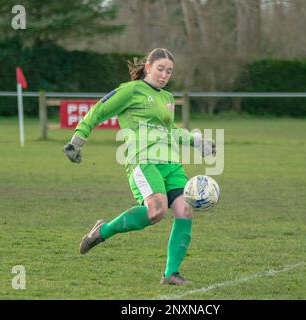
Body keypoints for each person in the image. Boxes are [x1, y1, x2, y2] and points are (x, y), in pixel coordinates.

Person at [63, 48, 215, 285]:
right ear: (148, 67)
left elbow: (171, 130)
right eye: (160, 69)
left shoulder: (167, 98)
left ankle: (171, 274)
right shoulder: (131, 90)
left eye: (169, 71)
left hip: (172, 163)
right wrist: (77, 141)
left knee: (185, 211)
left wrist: (197, 141)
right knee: (157, 211)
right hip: (143, 160)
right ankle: (102, 232)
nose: (165, 75)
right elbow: (98, 110)